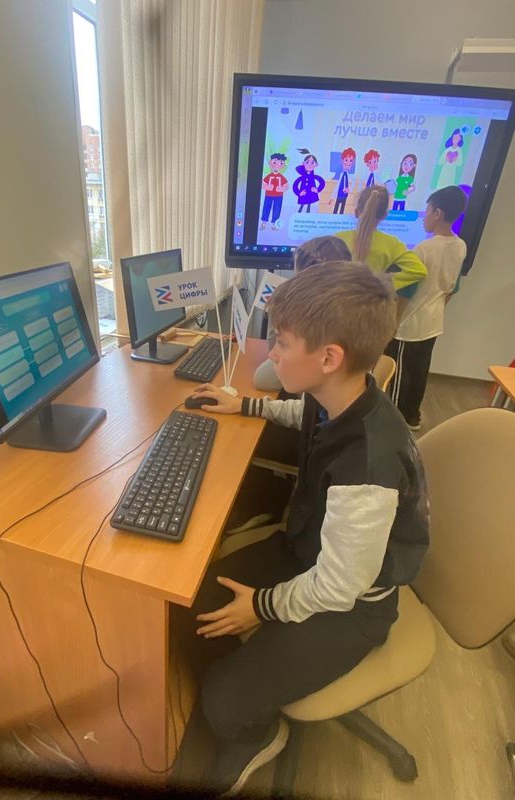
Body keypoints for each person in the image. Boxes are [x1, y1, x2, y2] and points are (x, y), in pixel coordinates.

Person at [182, 262, 429, 795]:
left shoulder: (366, 466)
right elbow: (305, 418)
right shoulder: (340, 395)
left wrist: (261, 606)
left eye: (281, 342)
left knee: (224, 700)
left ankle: (253, 731)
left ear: (328, 357)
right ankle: (253, 678)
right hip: (310, 550)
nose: (271, 353)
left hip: (355, 603)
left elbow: (340, 588)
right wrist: (244, 404)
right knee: (192, 602)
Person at [386, 185, 468, 431]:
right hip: (433, 322)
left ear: (438, 213)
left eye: (428, 210)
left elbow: (406, 291)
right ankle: (412, 416)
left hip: (409, 324)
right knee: (420, 371)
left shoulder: (424, 249)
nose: (424, 216)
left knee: (398, 373)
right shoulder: (460, 246)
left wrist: (394, 322)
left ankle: (394, 422)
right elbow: (453, 287)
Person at [253, 235, 352, 392]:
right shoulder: (355, 303)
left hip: (317, 380)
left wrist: (278, 311)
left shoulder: (301, 306)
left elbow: (274, 355)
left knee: (262, 377)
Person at [336, 184, 427, 302]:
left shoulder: (338, 238)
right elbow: (418, 271)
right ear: (384, 215)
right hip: (372, 303)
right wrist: (382, 283)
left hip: (340, 301)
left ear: (356, 212)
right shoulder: (392, 243)